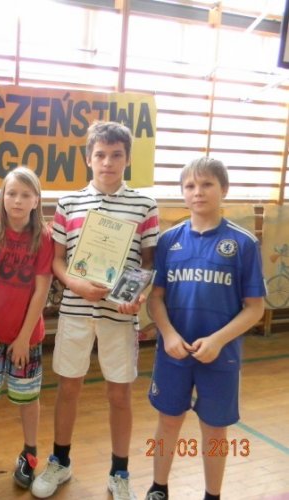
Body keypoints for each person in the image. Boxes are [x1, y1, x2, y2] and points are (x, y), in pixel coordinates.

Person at [32, 121, 159, 500]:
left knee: (119, 394)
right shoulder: (68, 203)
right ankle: (60, 461)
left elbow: (148, 262)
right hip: (75, 309)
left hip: (120, 315)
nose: (108, 162)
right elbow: (57, 260)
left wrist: (133, 294)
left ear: (127, 159)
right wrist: (77, 285)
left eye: (116, 155)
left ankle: (120, 472)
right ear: (88, 158)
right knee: (68, 387)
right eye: (100, 155)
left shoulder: (145, 205)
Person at [144, 158, 265, 500]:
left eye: (207, 184)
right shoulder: (168, 241)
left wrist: (217, 340)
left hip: (220, 356)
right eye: (190, 186)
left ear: (223, 189)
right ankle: (158, 487)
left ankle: (213, 494)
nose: (198, 192)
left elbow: (255, 308)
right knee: (168, 422)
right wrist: (168, 333)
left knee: (214, 430)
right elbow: (155, 298)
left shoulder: (243, 243)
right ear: (182, 193)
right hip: (173, 353)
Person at [0, 167, 54, 489]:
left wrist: (23, 338)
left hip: (25, 338)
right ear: (2, 196)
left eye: (25, 195)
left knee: (27, 397)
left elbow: (42, 290)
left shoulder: (44, 236)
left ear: (36, 200)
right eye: (12, 193)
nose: (17, 200)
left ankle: (29, 453)